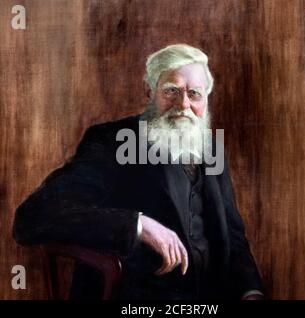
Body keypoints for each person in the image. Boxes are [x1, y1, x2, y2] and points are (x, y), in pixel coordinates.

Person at [13, 44, 264, 300]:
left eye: (195, 94)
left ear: (206, 99)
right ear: (149, 91)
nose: (183, 104)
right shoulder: (112, 141)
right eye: (171, 91)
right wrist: (138, 224)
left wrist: (251, 292)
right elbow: (32, 216)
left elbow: (233, 237)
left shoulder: (211, 148)